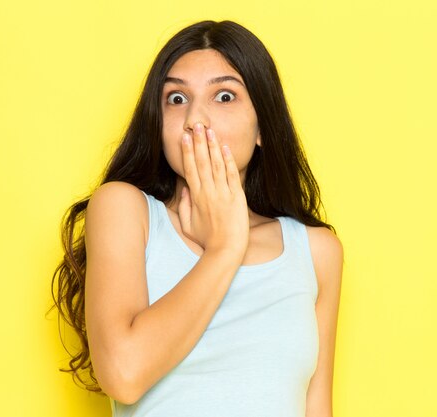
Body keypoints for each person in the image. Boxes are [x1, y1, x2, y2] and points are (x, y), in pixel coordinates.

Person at [50, 19, 343, 417]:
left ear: (264, 128)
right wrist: (224, 248)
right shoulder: (125, 210)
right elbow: (123, 373)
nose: (195, 119)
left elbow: (317, 406)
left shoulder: (316, 251)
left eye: (224, 96)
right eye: (176, 98)